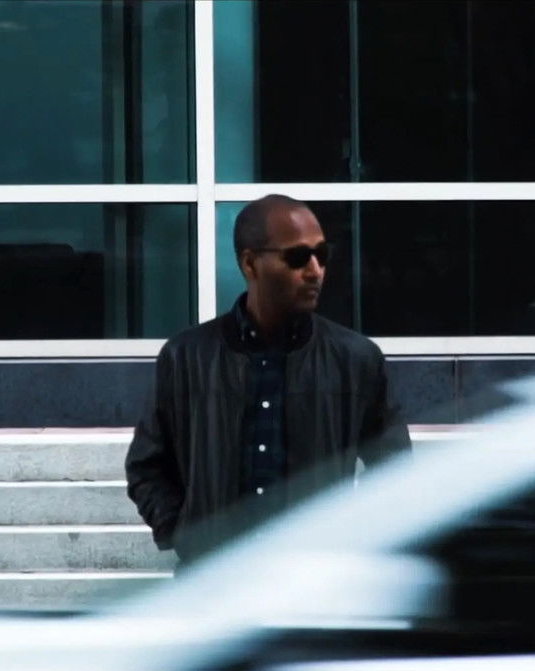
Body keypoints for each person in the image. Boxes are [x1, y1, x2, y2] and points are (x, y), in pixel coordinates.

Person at [125, 194, 411, 567]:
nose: (315, 271)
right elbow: (147, 466)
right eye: (297, 257)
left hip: (312, 584)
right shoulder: (186, 357)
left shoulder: (356, 360)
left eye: (322, 255)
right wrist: (186, 536)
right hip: (215, 582)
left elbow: (395, 473)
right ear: (250, 263)